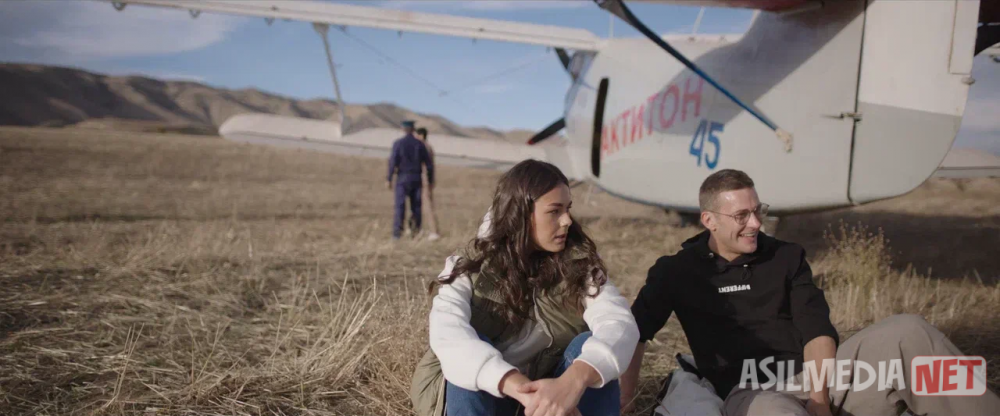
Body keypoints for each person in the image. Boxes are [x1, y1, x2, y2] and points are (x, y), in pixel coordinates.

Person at [620, 169, 1000, 416]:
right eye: (741, 216)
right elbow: (634, 332)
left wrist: (819, 400)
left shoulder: (786, 256)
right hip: (750, 394)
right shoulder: (676, 271)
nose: (755, 223)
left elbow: (816, 327)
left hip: (819, 378)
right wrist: (624, 401)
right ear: (709, 220)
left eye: (758, 210)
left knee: (909, 331)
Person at [410, 159, 639, 416]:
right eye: (554, 211)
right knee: (470, 353)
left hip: (553, 399)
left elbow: (619, 324)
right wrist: (522, 391)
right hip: (490, 398)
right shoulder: (469, 265)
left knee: (590, 349)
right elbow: (448, 334)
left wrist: (573, 382)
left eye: (568, 209)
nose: (567, 220)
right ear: (520, 214)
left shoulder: (580, 266)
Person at [388, 120, 434, 240]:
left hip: (402, 178)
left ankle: (397, 233)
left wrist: (389, 178)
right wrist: (430, 180)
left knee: (400, 206)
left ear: (403, 129)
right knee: (416, 207)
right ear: (413, 129)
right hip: (416, 178)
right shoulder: (420, 144)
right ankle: (415, 231)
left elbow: (393, 162)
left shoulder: (398, 143)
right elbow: (428, 164)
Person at [415, 127, 441, 241]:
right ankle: (420, 229)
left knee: (427, 205)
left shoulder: (424, 147)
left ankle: (434, 231)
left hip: (424, 180)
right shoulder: (426, 146)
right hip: (424, 180)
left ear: (421, 135)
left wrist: (429, 181)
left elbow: (428, 166)